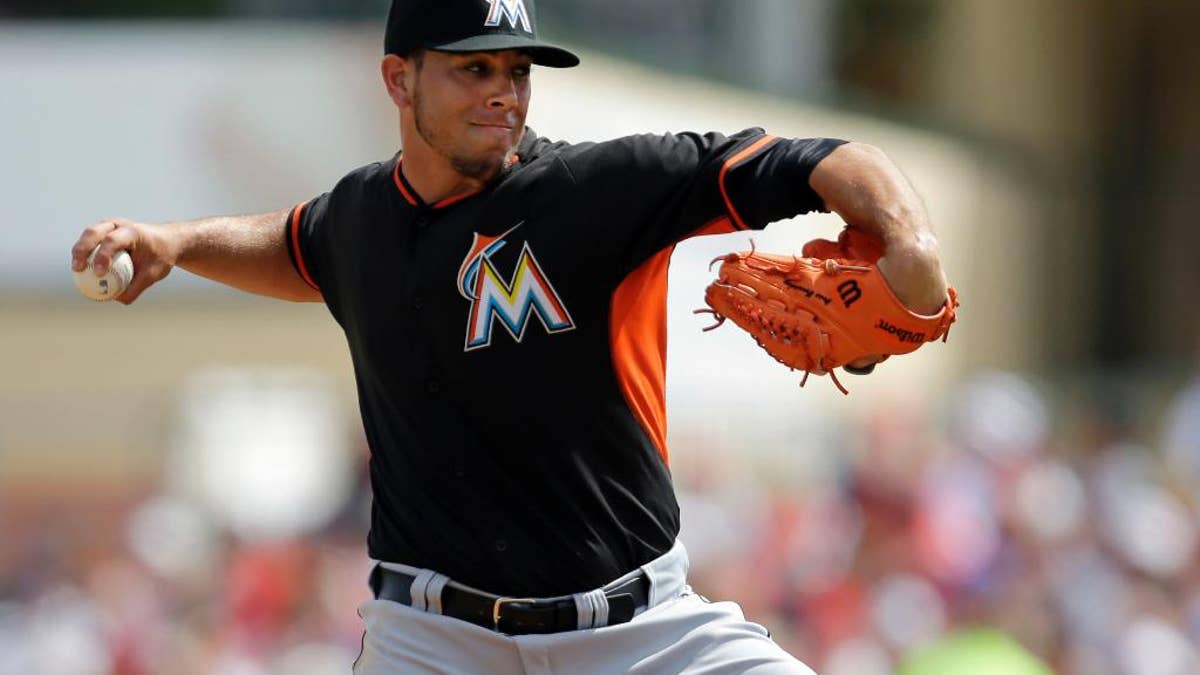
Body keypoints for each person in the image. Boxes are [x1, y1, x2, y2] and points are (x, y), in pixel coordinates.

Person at [70, 0, 951, 672]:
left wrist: (910, 241)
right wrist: (177, 242)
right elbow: (295, 247)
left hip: (637, 631)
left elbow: (816, 159)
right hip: (433, 636)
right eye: (473, 67)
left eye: (517, 71)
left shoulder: (598, 190)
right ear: (398, 79)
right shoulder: (361, 219)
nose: (503, 91)